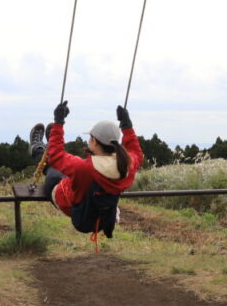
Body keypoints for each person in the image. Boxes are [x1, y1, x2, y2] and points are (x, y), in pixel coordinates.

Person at [29, 101, 144, 237]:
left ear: (94, 141)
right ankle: (49, 140)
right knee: (70, 164)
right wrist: (127, 125)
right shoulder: (126, 165)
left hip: (67, 201)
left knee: (52, 170)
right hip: (99, 213)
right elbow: (137, 153)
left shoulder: (84, 168)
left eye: (90, 138)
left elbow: (56, 156)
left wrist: (58, 123)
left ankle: (36, 148)